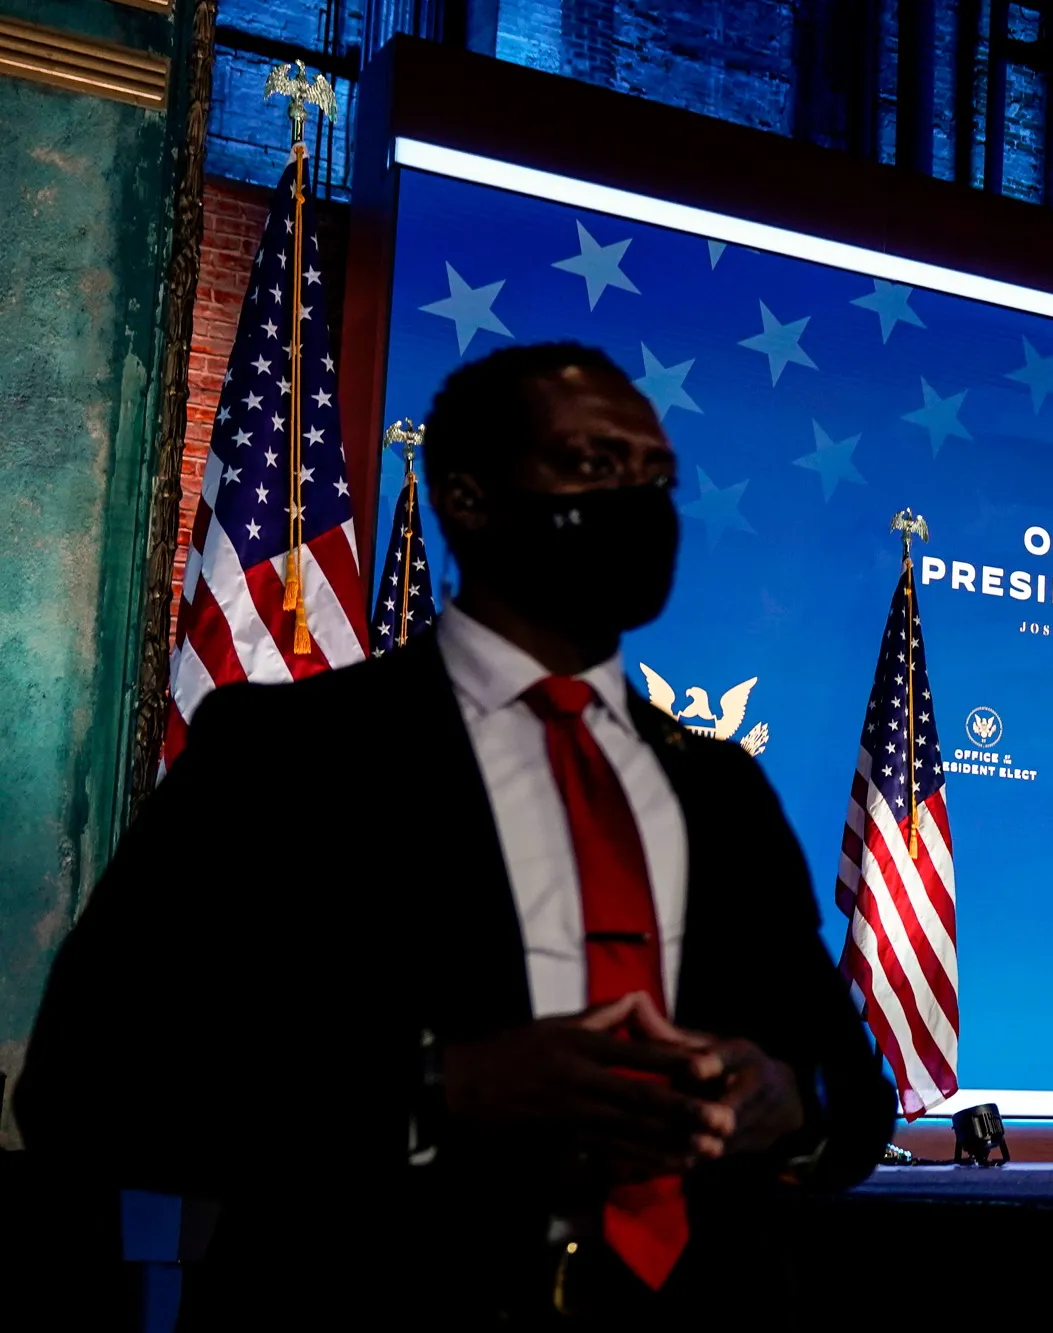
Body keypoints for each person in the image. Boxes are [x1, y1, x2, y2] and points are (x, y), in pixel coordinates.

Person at [17, 342, 893, 1325]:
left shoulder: (721, 789)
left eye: (655, 475)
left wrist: (787, 1101)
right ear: (471, 498)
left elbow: (851, 1095)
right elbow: (87, 1088)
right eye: (595, 466)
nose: (639, 501)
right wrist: (442, 1086)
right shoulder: (286, 757)